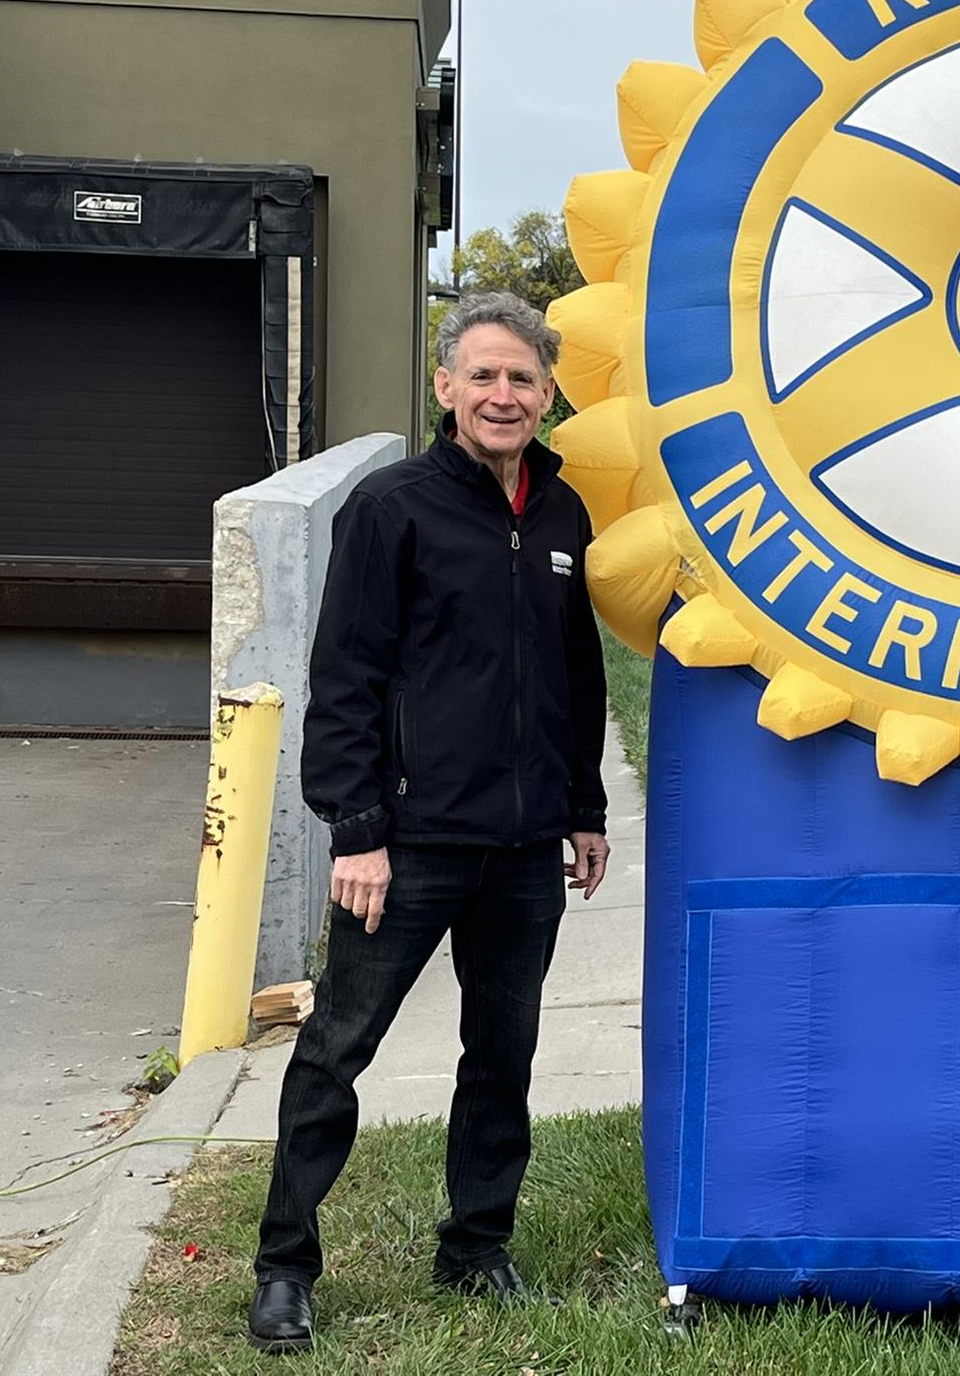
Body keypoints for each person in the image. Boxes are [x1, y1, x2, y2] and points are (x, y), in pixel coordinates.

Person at [248, 292, 610, 1353]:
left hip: (524, 850)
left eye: (523, 378)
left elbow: (576, 674)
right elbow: (345, 677)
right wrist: (356, 829)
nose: (503, 394)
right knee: (336, 1051)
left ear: (548, 394)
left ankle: (476, 1245)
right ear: (445, 386)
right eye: (483, 375)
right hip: (405, 847)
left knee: (502, 1056)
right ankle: (284, 1268)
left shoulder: (563, 514)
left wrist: (583, 807)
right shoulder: (390, 507)